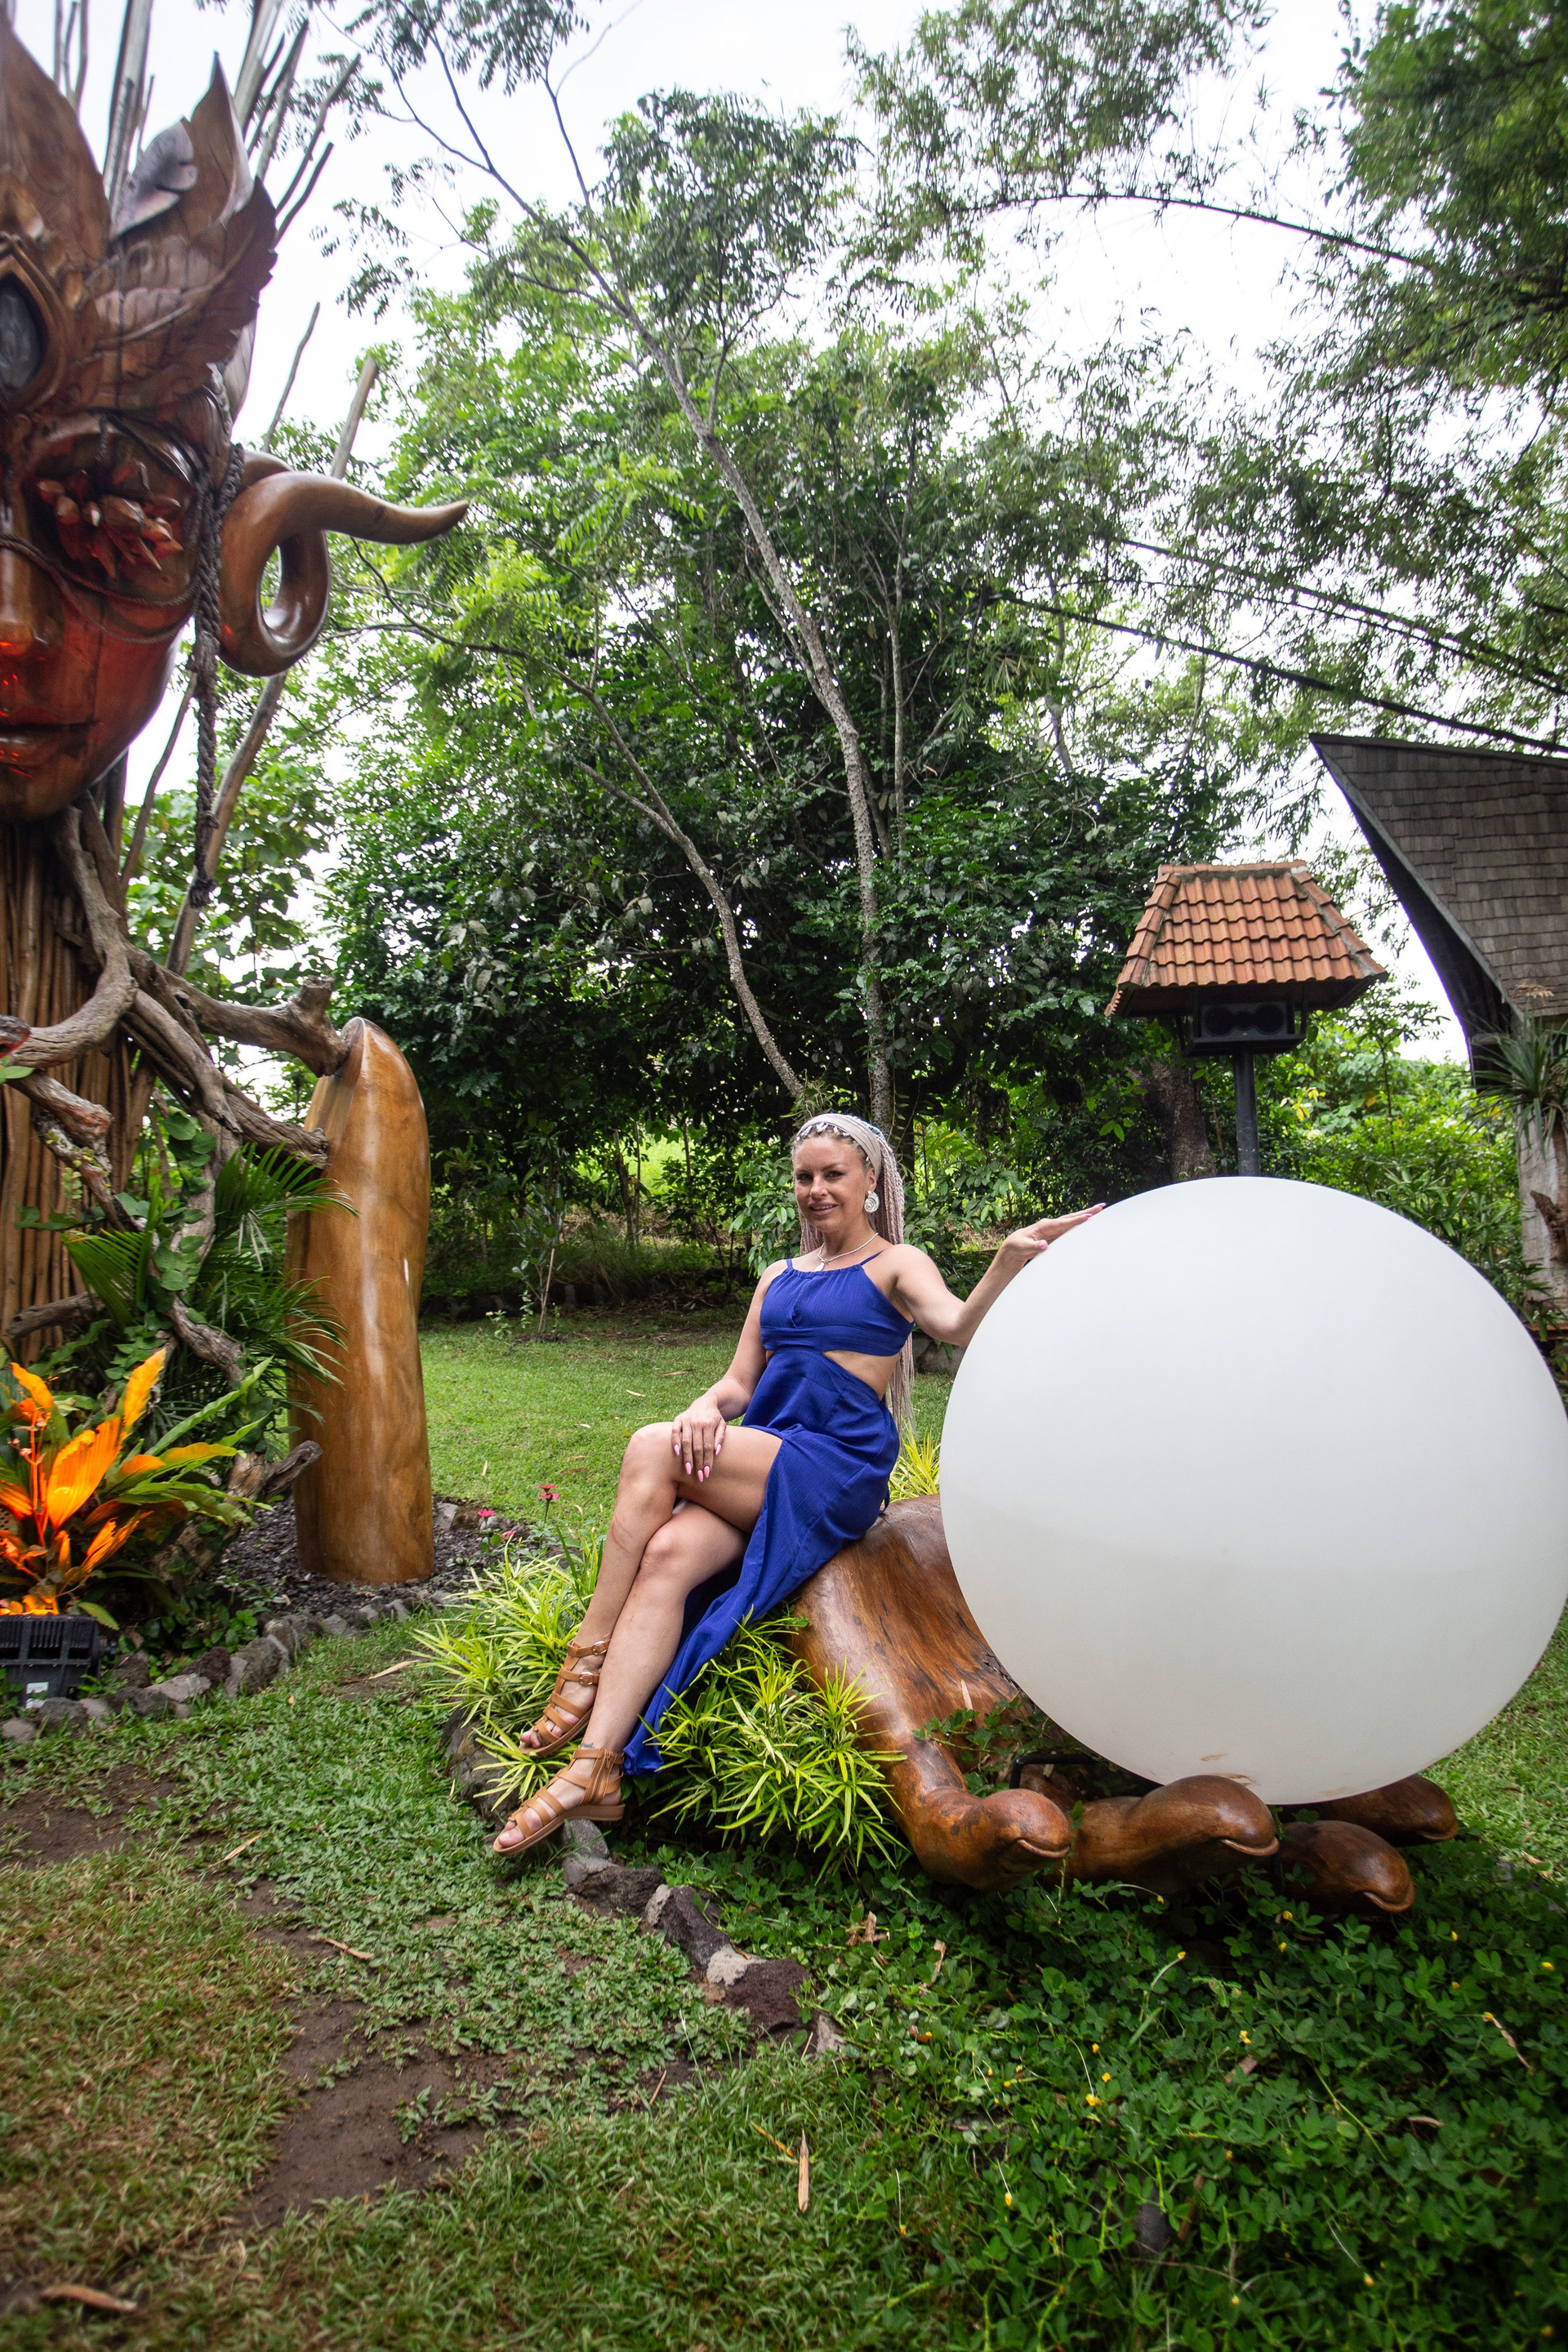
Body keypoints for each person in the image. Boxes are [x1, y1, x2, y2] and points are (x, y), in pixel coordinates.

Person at [491, 1113, 1102, 1855]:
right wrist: (702, 1407)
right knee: (668, 1557)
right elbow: (738, 1385)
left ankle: (588, 1653)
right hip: (770, 1452)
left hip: (836, 1464)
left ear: (869, 1180)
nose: (817, 1189)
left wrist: (1006, 1257)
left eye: (833, 1175)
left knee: (650, 1448)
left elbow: (959, 1325)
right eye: (805, 1177)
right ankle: (598, 1769)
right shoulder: (777, 1277)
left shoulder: (897, 1264)